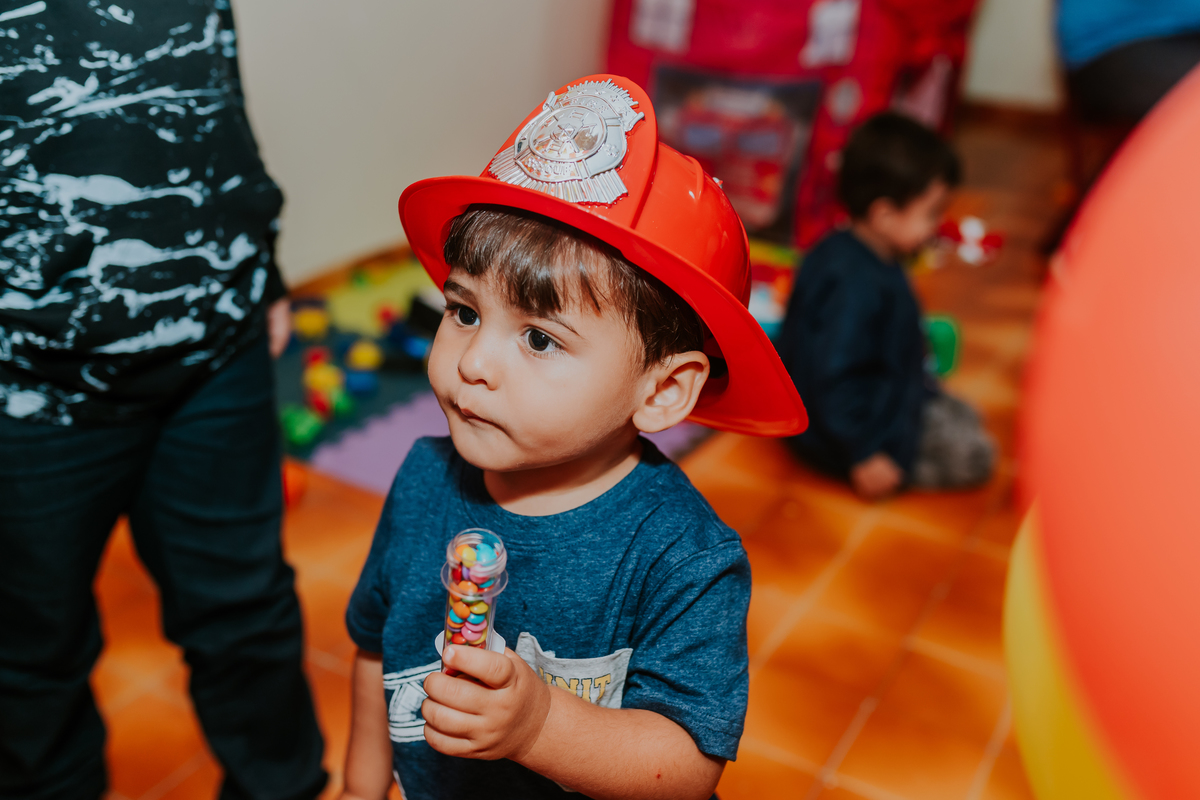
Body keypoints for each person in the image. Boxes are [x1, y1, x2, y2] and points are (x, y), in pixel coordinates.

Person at [338, 75, 808, 800]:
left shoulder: (685, 557)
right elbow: (375, 650)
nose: (473, 362)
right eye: (463, 311)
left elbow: (686, 767)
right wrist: (359, 786)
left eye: (537, 337)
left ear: (660, 390)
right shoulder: (420, 478)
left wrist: (538, 727)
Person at [0, 4, 326, 799]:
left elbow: (209, 72)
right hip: (24, 383)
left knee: (248, 614)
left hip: (217, 342)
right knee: (29, 659)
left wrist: (263, 257)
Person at [777, 112, 994, 501]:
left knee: (966, 416)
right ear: (884, 215)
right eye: (931, 212)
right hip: (843, 436)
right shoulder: (854, 286)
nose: (937, 224)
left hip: (880, 394)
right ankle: (891, 465)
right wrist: (863, 454)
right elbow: (834, 380)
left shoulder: (854, 249)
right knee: (976, 456)